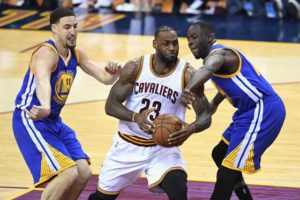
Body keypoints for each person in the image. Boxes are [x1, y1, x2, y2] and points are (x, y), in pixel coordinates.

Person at [88, 26, 212, 200]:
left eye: (175, 43)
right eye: (166, 44)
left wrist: (191, 128)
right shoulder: (135, 67)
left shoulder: (188, 75)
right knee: (101, 198)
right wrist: (136, 117)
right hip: (127, 145)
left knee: (178, 186)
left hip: (162, 148)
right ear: (155, 44)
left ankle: (161, 178)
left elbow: (206, 116)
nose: (172, 48)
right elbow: (110, 105)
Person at [12, 7, 121, 200]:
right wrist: (45, 106)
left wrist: (114, 73)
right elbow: (42, 81)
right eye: (67, 27)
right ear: (54, 28)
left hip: (53, 121)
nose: (72, 31)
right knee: (68, 173)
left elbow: (104, 78)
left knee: (83, 172)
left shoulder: (76, 54)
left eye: (75, 26)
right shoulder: (46, 53)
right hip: (31, 117)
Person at [181, 21, 286, 200]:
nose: (190, 43)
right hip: (247, 113)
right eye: (188, 39)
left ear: (209, 38)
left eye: (194, 37)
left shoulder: (221, 53)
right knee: (219, 154)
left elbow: (208, 68)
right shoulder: (217, 63)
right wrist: (213, 104)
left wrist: (188, 88)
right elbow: (231, 84)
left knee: (227, 171)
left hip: (263, 110)